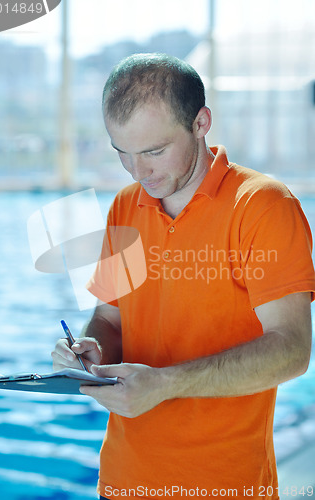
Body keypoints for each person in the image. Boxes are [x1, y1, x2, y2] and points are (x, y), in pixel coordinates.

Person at [52, 53, 315, 500]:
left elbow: (292, 351)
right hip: (122, 481)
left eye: (154, 152)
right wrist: (91, 349)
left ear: (201, 122)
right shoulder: (124, 206)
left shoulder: (263, 206)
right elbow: (110, 318)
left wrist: (165, 384)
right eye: (123, 154)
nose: (139, 172)